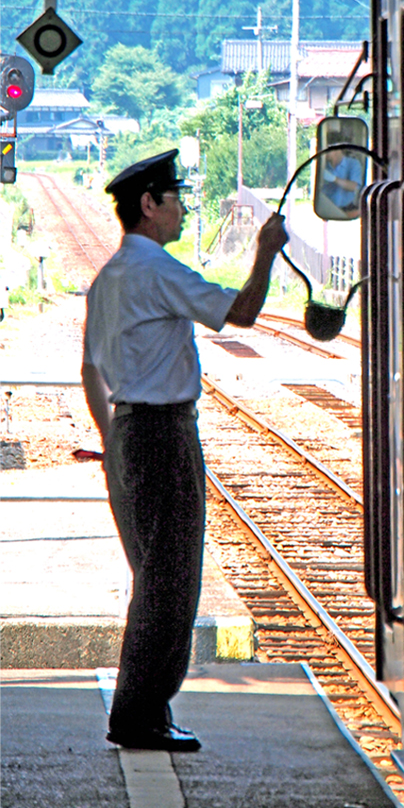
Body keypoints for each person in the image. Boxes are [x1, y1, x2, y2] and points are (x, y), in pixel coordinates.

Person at [81, 150, 287, 752]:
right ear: (149, 205)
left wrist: (109, 438)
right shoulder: (156, 271)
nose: (182, 209)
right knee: (170, 582)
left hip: (126, 433)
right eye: (175, 199)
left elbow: (91, 369)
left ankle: (147, 710)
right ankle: (138, 716)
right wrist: (265, 252)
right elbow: (242, 312)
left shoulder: (109, 278)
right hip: (164, 435)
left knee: (153, 575)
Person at [320, 147, 363, 217]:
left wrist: (334, 179)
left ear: (337, 149)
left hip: (347, 210)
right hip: (327, 210)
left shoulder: (353, 163)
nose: (324, 153)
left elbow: (354, 186)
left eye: (327, 149)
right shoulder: (323, 166)